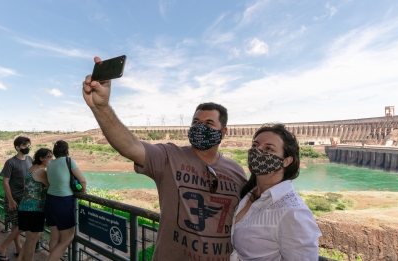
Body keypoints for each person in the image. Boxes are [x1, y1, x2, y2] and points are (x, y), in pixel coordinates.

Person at [82, 57, 247, 260]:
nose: (200, 127)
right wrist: (101, 107)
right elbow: (129, 146)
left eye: (209, 123)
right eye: (195, 121)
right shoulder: (169, 156)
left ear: (223, 133)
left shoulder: (237, 172)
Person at [230, 124, 322, 260]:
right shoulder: (250, 194)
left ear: (286, 161)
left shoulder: (293, 212)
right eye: (255, 146)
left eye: (269, 148)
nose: (258, 151)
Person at [0, 136, 32, 261]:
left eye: (28, 145)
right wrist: (11, 200)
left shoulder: (29, 159)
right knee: (18, 224)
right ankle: (7, 247)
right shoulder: (11, 162)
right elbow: (5, 182)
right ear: (17, 147)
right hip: (14, 198)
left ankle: (16, 248)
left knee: (17, 224)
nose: (27, 148)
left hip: (26, 197)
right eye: (24, 146)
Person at [44, 140, 86, 261]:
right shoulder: (69, 161)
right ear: (67, 151)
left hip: (50, 200)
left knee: (55, 237)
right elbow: (82, 180)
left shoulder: (50, 163)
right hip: (63, 202)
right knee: (67, 238)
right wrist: (83, 190)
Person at [16, 148, 52, 261]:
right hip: (34, 210)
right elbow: (51, 188)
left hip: (25, 207)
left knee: (33, 237)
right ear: (42, 158)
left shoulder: (32, 168)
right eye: (49, 157)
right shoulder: (42, 172)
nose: (52, 159)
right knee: (31, 242)